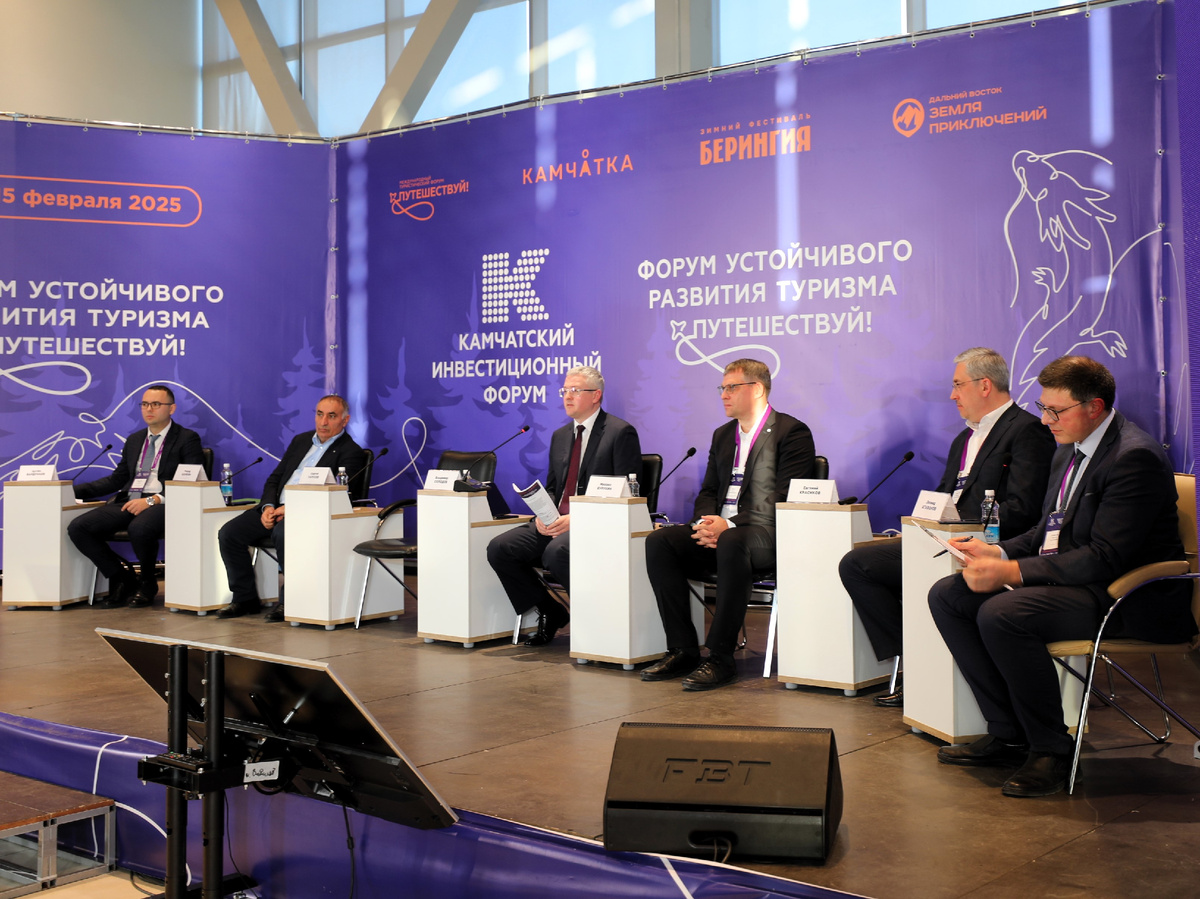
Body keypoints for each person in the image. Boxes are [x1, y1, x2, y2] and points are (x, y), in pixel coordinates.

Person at [929, 356, 1197, 798]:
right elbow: (1047, 529)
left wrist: (1012, 571)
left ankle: (1050, 749)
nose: (1045, 420)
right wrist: (997, 550)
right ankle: (1008, 732)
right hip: (1078, 583)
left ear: (1094, 407)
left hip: (1125, 596)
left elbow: (1104, 557)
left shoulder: (1134, 458)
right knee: (949, 596)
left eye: (1056, 411)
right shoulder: (1068, 449)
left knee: (1004, 612)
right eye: (1043, 408)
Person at [838, 348, 1055, 706]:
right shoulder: (963, 439)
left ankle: (938, 670)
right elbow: (942, 498)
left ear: (984, 385)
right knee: (858, 565)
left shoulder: (1026, 431)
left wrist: (968, 532)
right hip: (941, 541)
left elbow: (1024, 509)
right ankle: (914, 660)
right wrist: (923, 525)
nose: (952, 395)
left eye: (958, 385)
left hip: (986, 546)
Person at [641, 359, 815, 691]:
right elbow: (708, 490)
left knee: (734, 541)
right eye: (722, 388)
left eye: (732, 387)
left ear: (758, 389)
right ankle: (682, 649)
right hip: (721, 530)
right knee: (660, 542)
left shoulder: (792, 432)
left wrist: (729, 525)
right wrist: (706, 523)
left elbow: (782, 497)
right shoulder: (722, 435)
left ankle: (721, 657)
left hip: (765, 535)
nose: (723, 394)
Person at [486, 366, 642, 646]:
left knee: (557, 552)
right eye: (565, 390)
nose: (567, 397)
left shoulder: (620, 433)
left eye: (575, 390)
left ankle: (596, 620)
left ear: (596, 395)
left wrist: (579, 519)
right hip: (557, 522)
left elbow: (625, 495)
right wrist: (542, 514)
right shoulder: (560, 436)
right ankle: (550, 610)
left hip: (596, 524)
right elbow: (554, 488)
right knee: (500, 548)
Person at [217, 394, 367, 620]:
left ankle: (289, 601)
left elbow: (340, 494)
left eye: (331, 416)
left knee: (283, 532)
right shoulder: (301, 441)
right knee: (229, 533)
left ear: (344, 421)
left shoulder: (351, 451)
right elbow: (275, 479)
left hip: (309, 513)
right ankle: (244, 598)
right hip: (276, 508)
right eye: (319, 414)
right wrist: (268, 507)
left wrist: (292, 508)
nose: (323, 422)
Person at [69, 385, 204, 609]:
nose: (149, 409)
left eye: (156, 404)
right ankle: (121, 578)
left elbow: (189, 481)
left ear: (171, 408)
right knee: (79, 527)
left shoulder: (187, 439)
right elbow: (117, 480)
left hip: (164, 502)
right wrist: (71, 490)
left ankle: (148, 583)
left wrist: (152, 500)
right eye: (145, 404)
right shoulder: (135, 440)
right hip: (131, 499)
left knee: (140, 528)